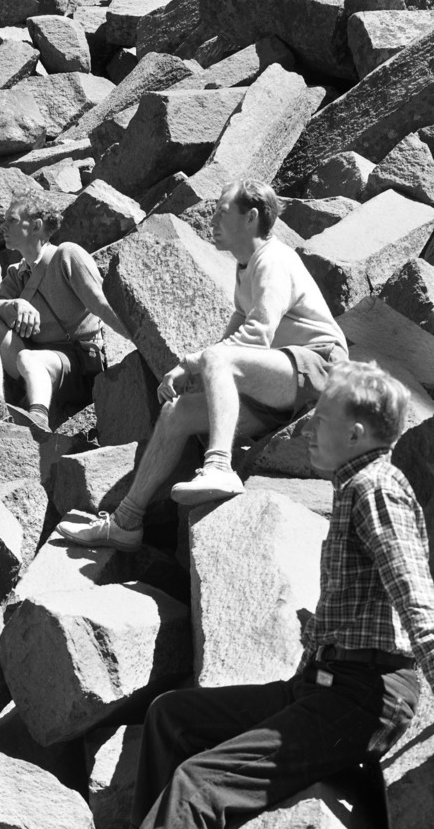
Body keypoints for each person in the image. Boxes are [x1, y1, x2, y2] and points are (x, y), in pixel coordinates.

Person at [28, 360, 434, 829]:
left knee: (202, 780)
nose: (307, 428)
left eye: (322, 419)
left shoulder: (376, 489)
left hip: (361, 698)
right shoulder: (357, 483)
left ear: (359, 433)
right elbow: (372, 602)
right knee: (173, 715)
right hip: (324, 682)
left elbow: (413, 590)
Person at [59, 178, 348, 550]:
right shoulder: (245, 268)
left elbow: (257, 335)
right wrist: (194, 370)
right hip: (280, 385)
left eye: (222, 213)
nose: (212, 220)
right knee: (177, 412)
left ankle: (219, 467)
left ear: (251, 218)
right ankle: (126, 522)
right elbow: (232, 337)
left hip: (320, 368)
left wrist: (196, 363)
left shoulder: (273, 260)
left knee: (216, 360)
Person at [0, 194, 130, 434]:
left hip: (81, 363)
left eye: (11, 220)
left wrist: (140, 340)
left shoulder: (67, 256)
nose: (3, 227)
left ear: (35, 226)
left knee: (28, 358)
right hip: (37, 360)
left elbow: (101, 304)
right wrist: (15, 305)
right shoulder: (17, 273)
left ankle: (38, 419)